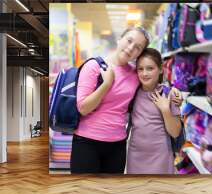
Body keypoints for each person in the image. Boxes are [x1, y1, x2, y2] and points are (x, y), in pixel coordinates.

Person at [71, 27, 182, 174]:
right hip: (88, 142)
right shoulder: (94, 66)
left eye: (138, 47)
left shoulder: (134, 73)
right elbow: (83, 108)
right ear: (120, 39)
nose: (130, 48)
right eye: (129, 41)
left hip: (117, 145)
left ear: (139, 53)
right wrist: (106, 84)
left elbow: (152, 80)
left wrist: (174, 91)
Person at [126, 48, 182, 174]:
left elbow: (175, 132)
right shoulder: (132, 93)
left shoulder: (168, 94)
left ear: (161, 69)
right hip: (135, 155)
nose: (144, 73)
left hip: (161, 156)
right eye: (140, 69)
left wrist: (165, 110)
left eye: (150, 68)